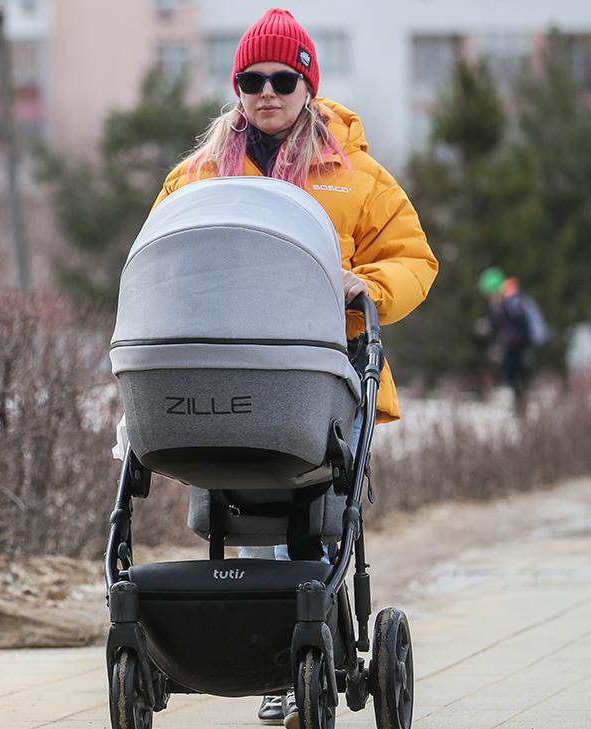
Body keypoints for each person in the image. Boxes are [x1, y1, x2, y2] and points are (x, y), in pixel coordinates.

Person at [151, 9, 439, 727]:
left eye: (284, 78)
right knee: (243, 493)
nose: (268, 92)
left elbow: (414, 260)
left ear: (308, 84)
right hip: (215, 371)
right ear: (237, 87)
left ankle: (291, 649)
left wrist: (363, 284)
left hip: (319, 374)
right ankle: (249, 635)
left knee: (304, 506)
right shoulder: (195, 176)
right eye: (252, 79)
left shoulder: (356, 177)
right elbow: (156, 255)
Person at [478, 267, 546, 412]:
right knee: (512, 375)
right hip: (513, 343)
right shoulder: (506, 302)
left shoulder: (513, 302)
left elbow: (519, 325)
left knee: (514, 375)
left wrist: (514, 341)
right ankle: (518, 405)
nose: (490, 298)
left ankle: (520, 406)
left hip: (518, 344)